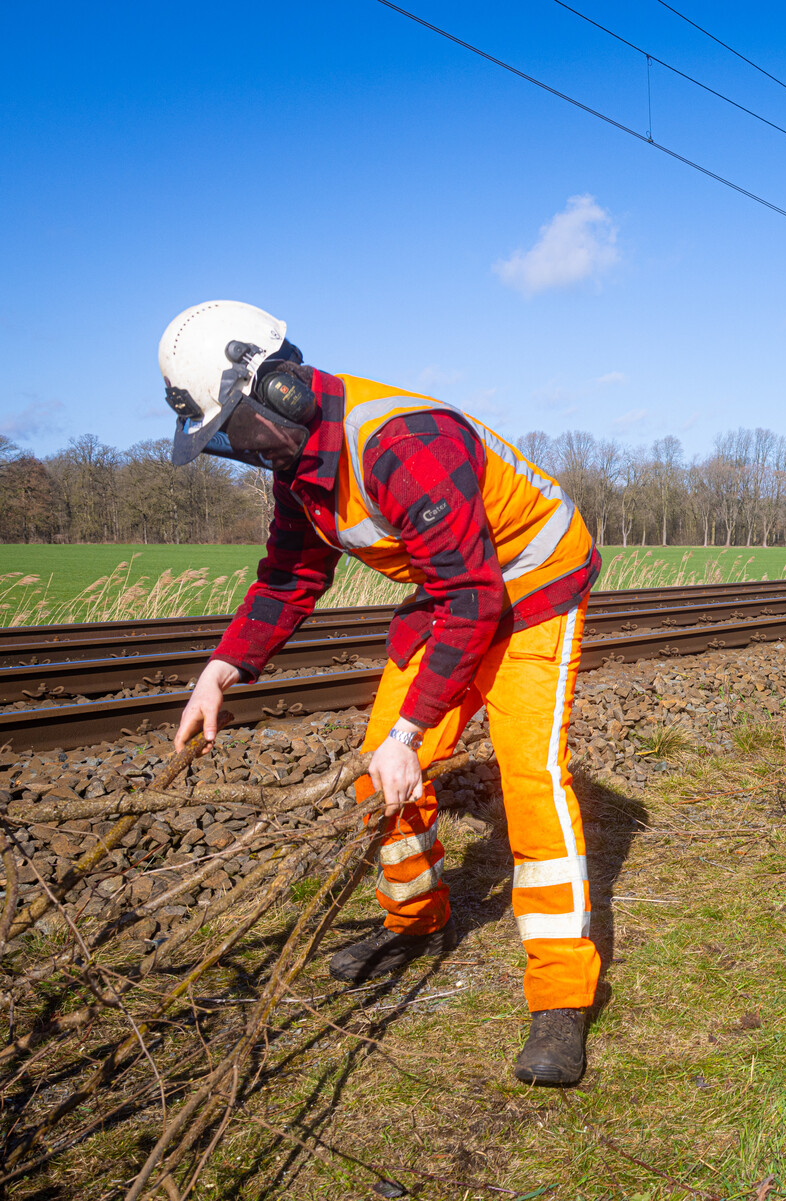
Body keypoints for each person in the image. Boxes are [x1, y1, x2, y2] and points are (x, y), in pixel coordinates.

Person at [161, 301, 602, 1086]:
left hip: (534, 591)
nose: (244, 449)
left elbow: (477, 595)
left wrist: (413, 731)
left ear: (283, 389)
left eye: (238, 427)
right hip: (459, 591)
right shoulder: (299, 470)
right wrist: (222, 668)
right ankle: (416, 918)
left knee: (531, 781)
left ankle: (561, 997)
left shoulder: (402, 443)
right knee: (379, 768)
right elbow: (292, 577)